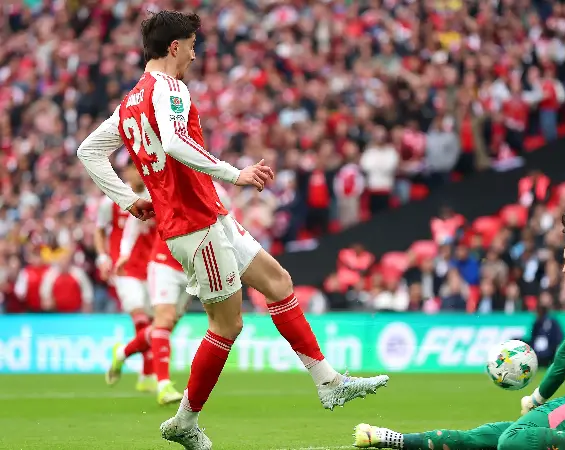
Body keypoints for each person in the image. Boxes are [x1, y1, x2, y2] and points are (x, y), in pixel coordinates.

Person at [77, 10, 388, 450]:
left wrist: (129, 202)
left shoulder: (129, 101)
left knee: (278, 282)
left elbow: (88, 151)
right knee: (227, 324)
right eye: (190, 44)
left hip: (209, 216)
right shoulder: (170, 87)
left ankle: (328, 380)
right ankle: (185, 421)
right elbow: (171, 141)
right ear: (174, 47)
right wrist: (234, 173)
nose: (194, 52)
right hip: (193, 224)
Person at [353, 214, 565, 450]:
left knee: (513, 441)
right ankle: (389, 438)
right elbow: (564, 358)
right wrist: (538, 396)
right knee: (485, 436)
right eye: (563, 260)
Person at [105, 179, 233, 406]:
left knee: (163, 327)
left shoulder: (211, 187)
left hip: (190, 268)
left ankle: (123, 352)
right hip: (163, 262)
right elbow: (137, 220)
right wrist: (125, 253)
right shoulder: (162, 185)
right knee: (163, 320)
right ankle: (163, 384)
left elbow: (226, 213)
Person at [96, 165, 156, 392]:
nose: (139, 172)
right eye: (134, 168)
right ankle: (149, 375)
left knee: (153, 323)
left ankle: (125, 354)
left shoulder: (156, 196)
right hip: (124, 269)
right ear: (127, 173)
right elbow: (99, 230)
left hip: (152, 268)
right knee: (141, 318)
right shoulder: (110, 200)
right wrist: (102, 257)